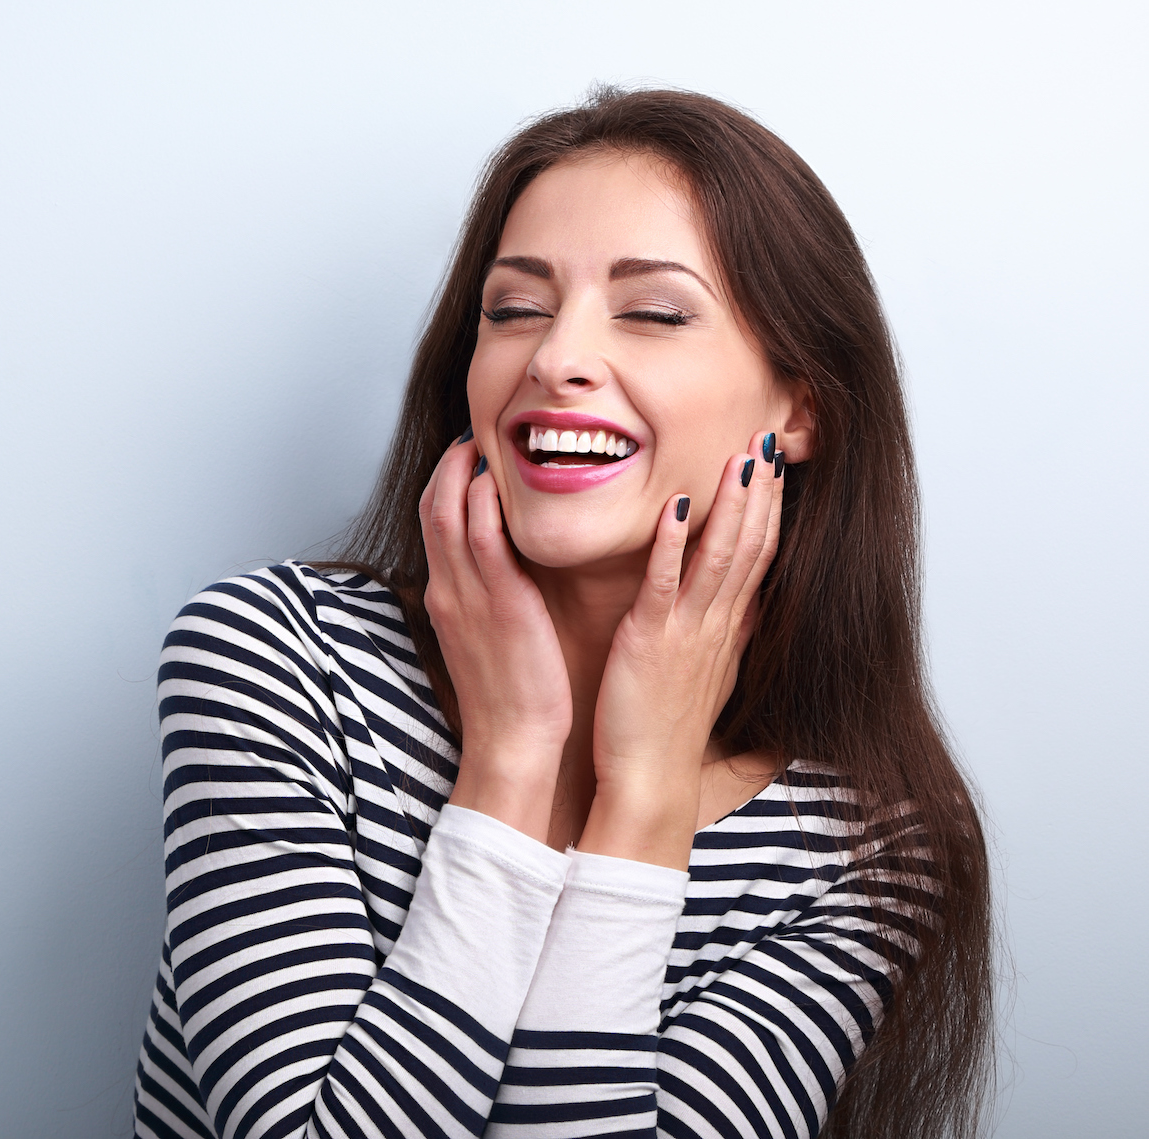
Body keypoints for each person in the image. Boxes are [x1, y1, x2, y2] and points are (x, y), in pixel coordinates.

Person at [132, 87, 993, 1139]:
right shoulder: (276, 657)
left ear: (799, 407)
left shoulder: (872, 841)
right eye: (515, 309)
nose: (554, 358)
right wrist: (512, 758)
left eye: (654, 311)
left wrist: (643, 797)